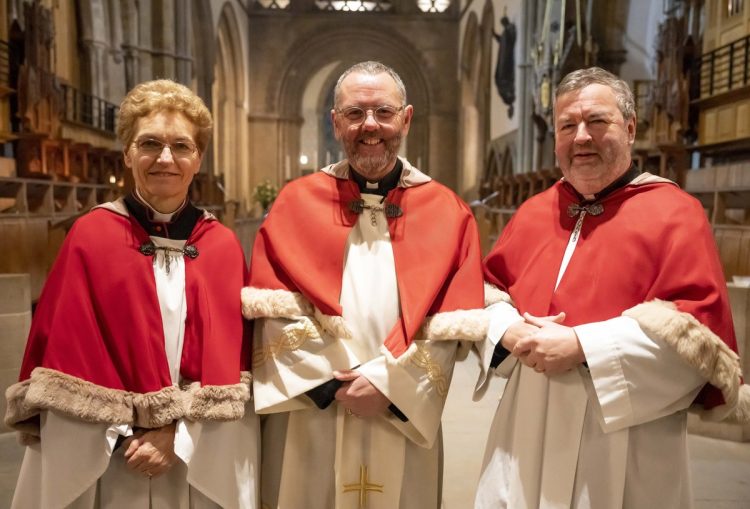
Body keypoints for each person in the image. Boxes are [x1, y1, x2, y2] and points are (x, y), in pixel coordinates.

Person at [474, 67, 748, 508]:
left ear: (631, 128)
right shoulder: (533, 212)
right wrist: (508, 330)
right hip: (526, 426)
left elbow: (697, 339)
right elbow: (487, 292)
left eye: (597, 121)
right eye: (567, 125)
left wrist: (584, 344)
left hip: (624, 440)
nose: (581, 137)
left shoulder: (676, 213)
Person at [242, 61, 489, 509]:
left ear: (406, 118)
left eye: (383, 113)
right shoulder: (295, 203)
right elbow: (272, 309)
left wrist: (389, 386)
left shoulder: (448, 212)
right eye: (355, 114)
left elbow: (450, 324)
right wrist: (331, 384)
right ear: (336, 122)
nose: (370, 126)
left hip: (400, 413)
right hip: (312, 412)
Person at [5, 79, 258, 508]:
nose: (165, 158)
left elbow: (232, 370)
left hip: (195, 457)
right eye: (150, 144)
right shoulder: (91, 237)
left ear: (198, 159)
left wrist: (175, 433)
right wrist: (128, 432)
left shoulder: (223, 247)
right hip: (113, 457)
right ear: (127, 154)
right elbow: (67, 358)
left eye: (181, 146)